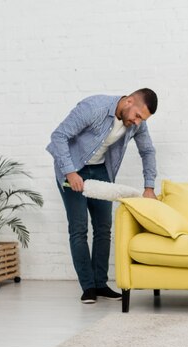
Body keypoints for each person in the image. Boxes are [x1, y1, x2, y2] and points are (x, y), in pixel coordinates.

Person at [47, 89, 158, 304]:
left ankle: (100, 284)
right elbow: (58, 136)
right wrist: (70, 172)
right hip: (73, 169)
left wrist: (149, 187)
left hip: (100, 171)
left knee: (103, 227)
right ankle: (88, 287)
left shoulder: (137, 123)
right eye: (137, 116)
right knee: (79, 228)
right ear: (128, 101)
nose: (137, 122)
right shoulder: (93, 108)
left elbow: (148, 151)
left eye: (142, 119)